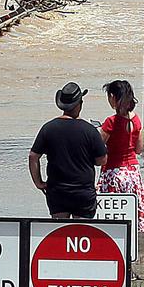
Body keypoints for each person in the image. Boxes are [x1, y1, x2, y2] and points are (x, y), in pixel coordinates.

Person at [29, 83, 107, 219]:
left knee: (59, 233)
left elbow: (33, 156)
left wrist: (38, 182)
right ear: (79, 104)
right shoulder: (89, 130)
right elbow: (101, 161)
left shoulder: (48, 128)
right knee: (82, 232)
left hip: (57, 191)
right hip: (83, 191)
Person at [97, 80, 144, 231]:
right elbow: (138, 149)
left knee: (111, 215)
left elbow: (98, 147)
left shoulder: (111, 122)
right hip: (132, 172)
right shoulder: (136, 120)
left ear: (113, 97)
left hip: (113, 172)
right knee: (131, 212)